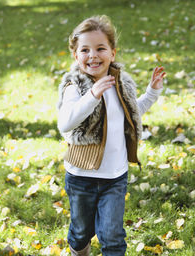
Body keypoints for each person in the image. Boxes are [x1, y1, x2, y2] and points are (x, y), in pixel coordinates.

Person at [57, 15, 166, 256]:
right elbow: (66, 122)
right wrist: (93, 95)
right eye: (85, 50)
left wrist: (151, 93)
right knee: (80, 233)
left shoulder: (121, 84)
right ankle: (79, 250)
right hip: (81, 177)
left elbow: (131, 113)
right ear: (76, 56)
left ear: (112, 53)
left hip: (115, 177)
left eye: (100, 48)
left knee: (113, 237)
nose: (93, 55)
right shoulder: (75, 87)